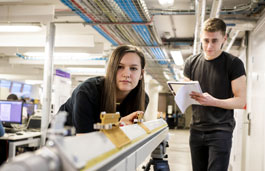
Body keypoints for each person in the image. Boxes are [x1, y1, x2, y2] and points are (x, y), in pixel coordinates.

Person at [184, 18, 246, 171]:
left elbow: (240, 101)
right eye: (205, 40)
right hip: (196, 129)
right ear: (200, 37)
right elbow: (185, 93)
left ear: (224, 38)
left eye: (214, 40)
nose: (209, 46)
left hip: (221, 131)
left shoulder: (234, 64)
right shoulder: (191, 63)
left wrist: (213, 101)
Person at [59, 45, 149, 134]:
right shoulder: (87, 92)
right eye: (119, 67)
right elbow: (84, 140)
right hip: (62, 140)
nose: (126, 74)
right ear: (111, 70)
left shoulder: (142, 98)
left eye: (133, 68)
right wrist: (118, 125)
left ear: (141, 74)